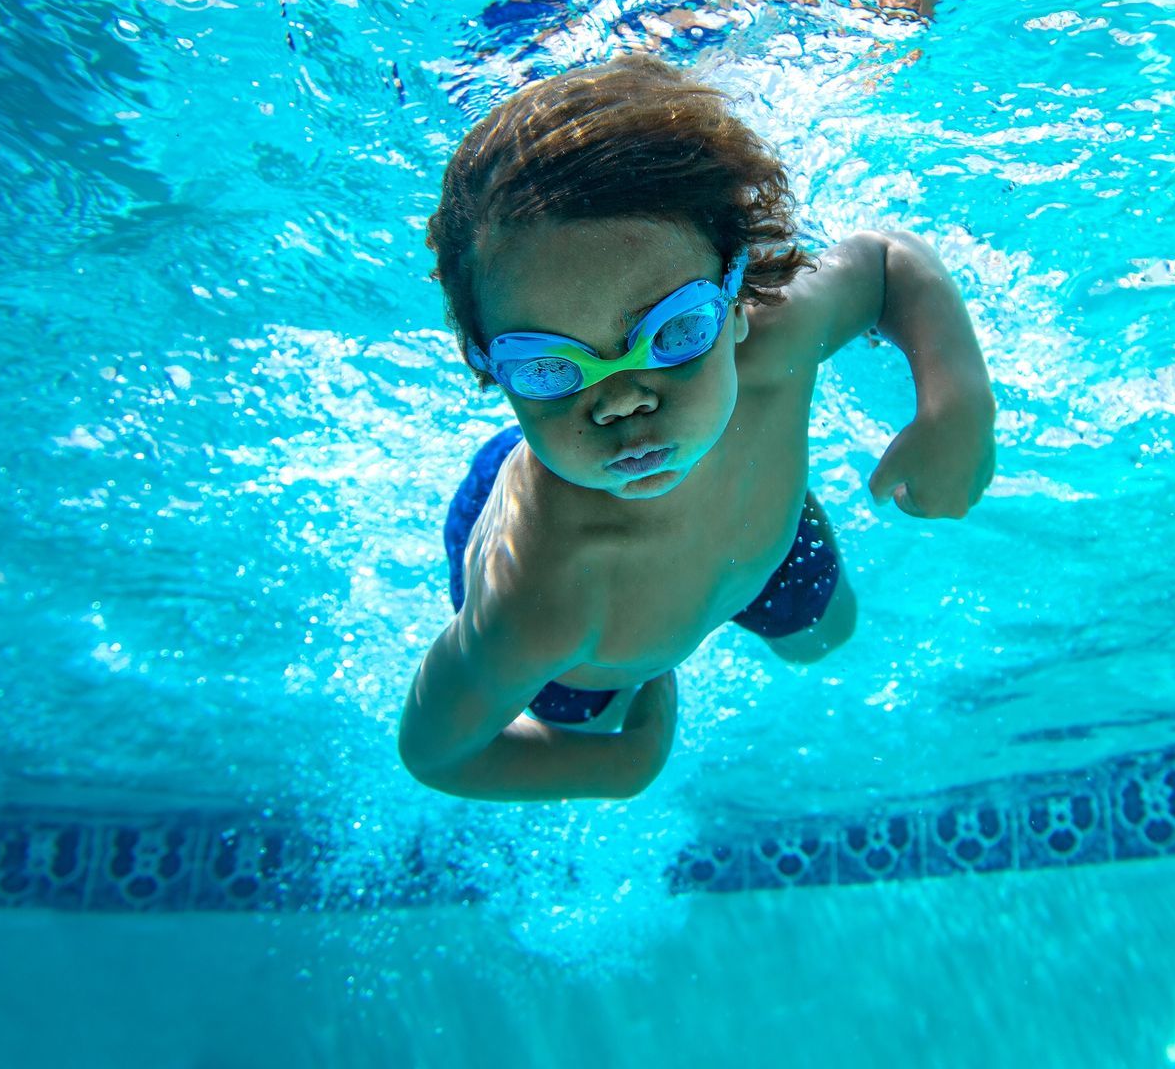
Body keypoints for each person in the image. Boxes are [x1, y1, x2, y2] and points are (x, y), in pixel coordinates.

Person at [397, 53, 995, 802]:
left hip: (757, 539)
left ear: (738, 297)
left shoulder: (776, 344)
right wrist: (620, 767)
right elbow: (436, 752)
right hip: (597, 660)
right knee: (597, 721)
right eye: (550, 369)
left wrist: (956, 401)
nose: (620, 403)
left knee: (823, 637)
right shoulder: (535, 600)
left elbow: (883, 262)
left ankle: (751, 521)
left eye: (674, 331)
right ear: (493, 373)